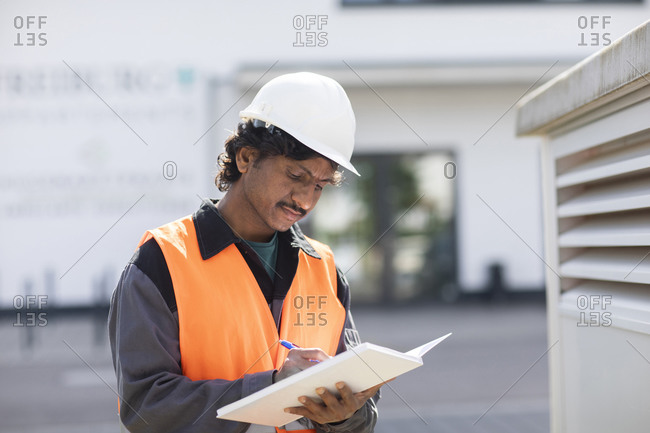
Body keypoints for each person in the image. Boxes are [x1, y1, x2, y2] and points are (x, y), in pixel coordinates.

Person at [108, 72, 384, 433]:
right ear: (246, 157)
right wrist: (271, 389)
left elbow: (362, 410)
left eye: (318, 186)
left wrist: (346, 414)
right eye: (296, 176)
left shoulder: (324, 268)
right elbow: (145, 407)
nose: (304, 200)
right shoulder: (162, 261)